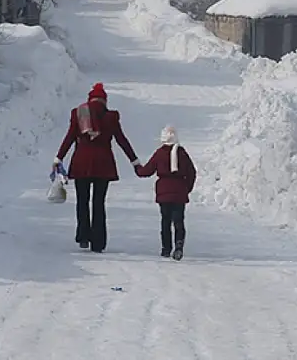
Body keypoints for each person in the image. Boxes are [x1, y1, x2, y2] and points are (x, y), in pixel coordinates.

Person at [54, 82, 140, 253]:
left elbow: (70, 137)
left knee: (82, 201)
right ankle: (98, 243)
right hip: (103, 164)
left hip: (81, 163)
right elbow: (121, 140)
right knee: (99, 203)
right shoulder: (111, 117)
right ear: (104, 101)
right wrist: (134, 161)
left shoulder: (79, 113)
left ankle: (84, 236)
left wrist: (59, 157)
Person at [135, 125, 197, 260]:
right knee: (179, 221)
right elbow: (192, 172)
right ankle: (179, 245)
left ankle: (166, 248)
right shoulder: (182, 153)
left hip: (164, 192)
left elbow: (146, 171)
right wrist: (187, 188)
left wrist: (137, 167)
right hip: (179, 191)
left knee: (165, 221)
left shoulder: (160, 153)